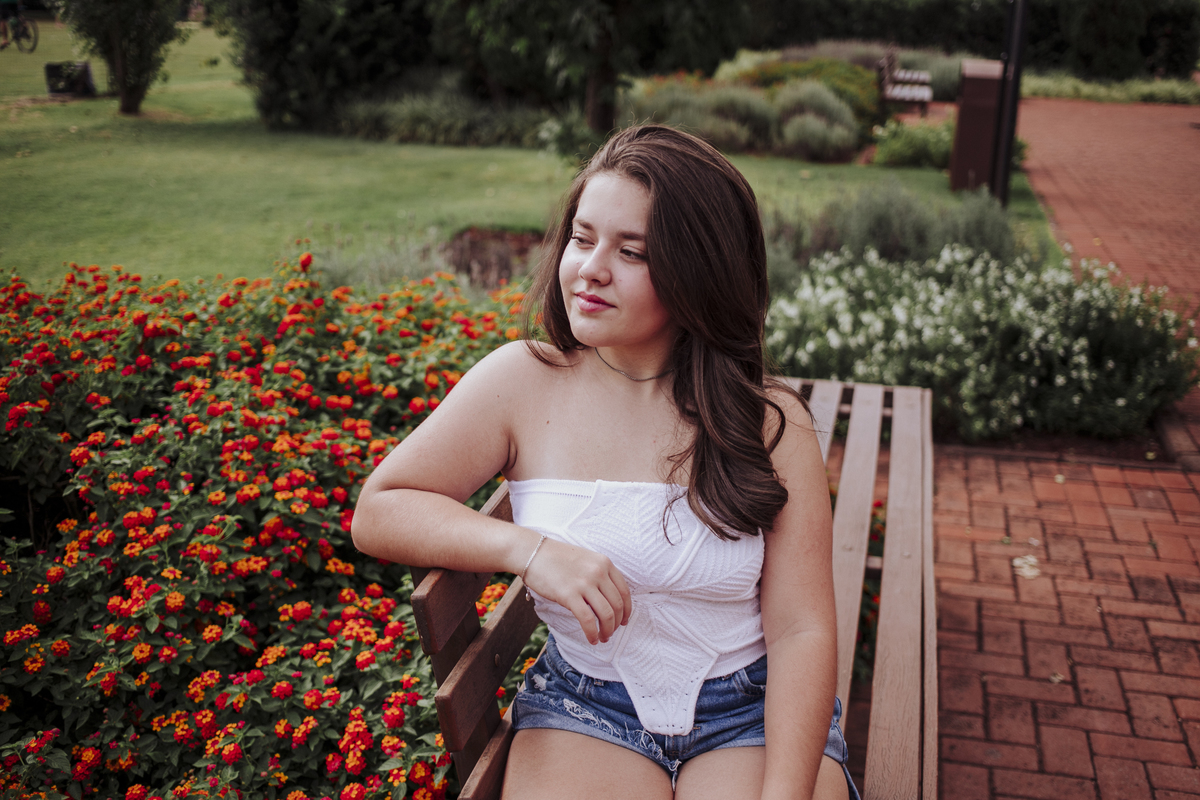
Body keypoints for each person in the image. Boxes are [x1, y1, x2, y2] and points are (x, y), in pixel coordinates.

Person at [351, 124, 858, 800]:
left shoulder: (767, 420)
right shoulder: (522, 382)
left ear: (699, 272)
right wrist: (532, 551)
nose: (590, 268)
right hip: (587, 708)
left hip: (751, 712)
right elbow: (379, 509)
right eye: (582, 238)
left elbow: (801, 630)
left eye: (632, 251)